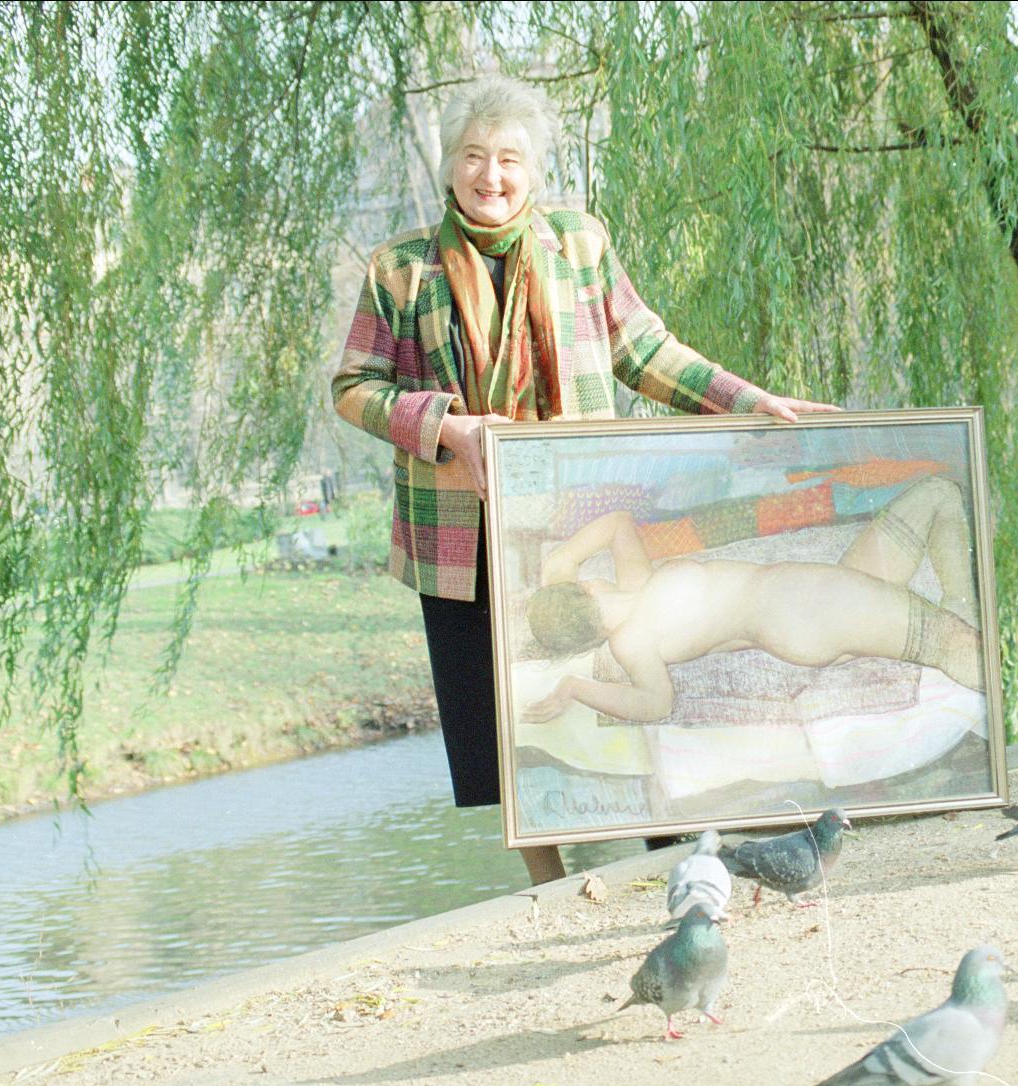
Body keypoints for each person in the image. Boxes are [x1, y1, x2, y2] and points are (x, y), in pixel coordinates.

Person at [330, 76, 837, 885]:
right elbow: (354, 387)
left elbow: (645, 351)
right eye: (473, 156)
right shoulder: (401, 268)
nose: (490, 175)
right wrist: (449, 426)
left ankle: (671, 865)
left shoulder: (580, 244)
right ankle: (552, 885)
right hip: (462, 539)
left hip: (575, 516)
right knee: (503, 723)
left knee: (623, 683)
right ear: (450, 165)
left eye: (508, 158)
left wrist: (747, 400)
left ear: (531, 170)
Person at [520, 475, 984, 725]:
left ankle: (962, 604)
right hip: (811, 611)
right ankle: (1000, 681)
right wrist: (576, 688)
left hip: (825, 591)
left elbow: (619, 521)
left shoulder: (636, 587)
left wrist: (561, 564)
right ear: (583, 587)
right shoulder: (631, 642)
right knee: (950, 643)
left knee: (939, 495)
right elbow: (657, 704)